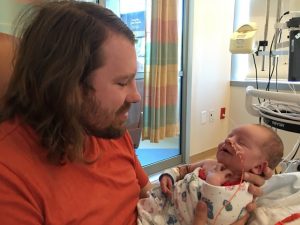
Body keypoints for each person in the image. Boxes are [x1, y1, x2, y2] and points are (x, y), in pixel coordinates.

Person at [0, 1, 272, 225]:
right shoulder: (10, 177)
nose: (136, 95)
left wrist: (217, 191)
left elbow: (146, 196)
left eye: (133, 79)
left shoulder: (106, 128)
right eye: (121, 82)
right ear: (66, 86)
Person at [138, 124, 283, 225]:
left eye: (241, 142)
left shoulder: (244, 190)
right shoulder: (209, 163)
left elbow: (219, 217)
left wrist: (212, 183)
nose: (228, 140)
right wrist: (168, 175)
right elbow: (185, 169)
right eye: (230, 136)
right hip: (157, 203)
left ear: (258, 167)